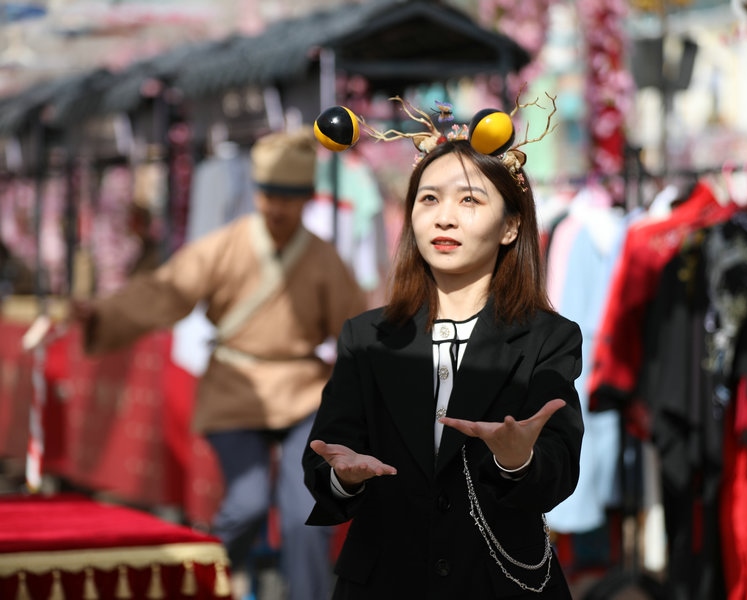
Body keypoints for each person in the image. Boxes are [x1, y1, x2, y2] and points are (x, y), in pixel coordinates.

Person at [302, 100, 585, 599]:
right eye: (429, 199)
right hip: (385, 584)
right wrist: (344, 477)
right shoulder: (366, 338)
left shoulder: (548, 337)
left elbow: (558, 468)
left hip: (500, 584)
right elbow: (325, 460)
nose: (444, 218)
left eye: (469, 200)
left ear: (511, 226)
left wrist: (518, 459)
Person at [71, 127, 368, 600]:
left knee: (308, 511)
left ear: (307, 198)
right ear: (256, 192)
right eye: (269, 195)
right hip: (235, 386)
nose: (278, 207)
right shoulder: (226, 245)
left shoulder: (323, 257)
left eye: (289, 197)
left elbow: (355, 329)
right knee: (248, 502)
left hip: (301, 389)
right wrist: (105, 313)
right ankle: (202, 581)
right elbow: (167, 291)